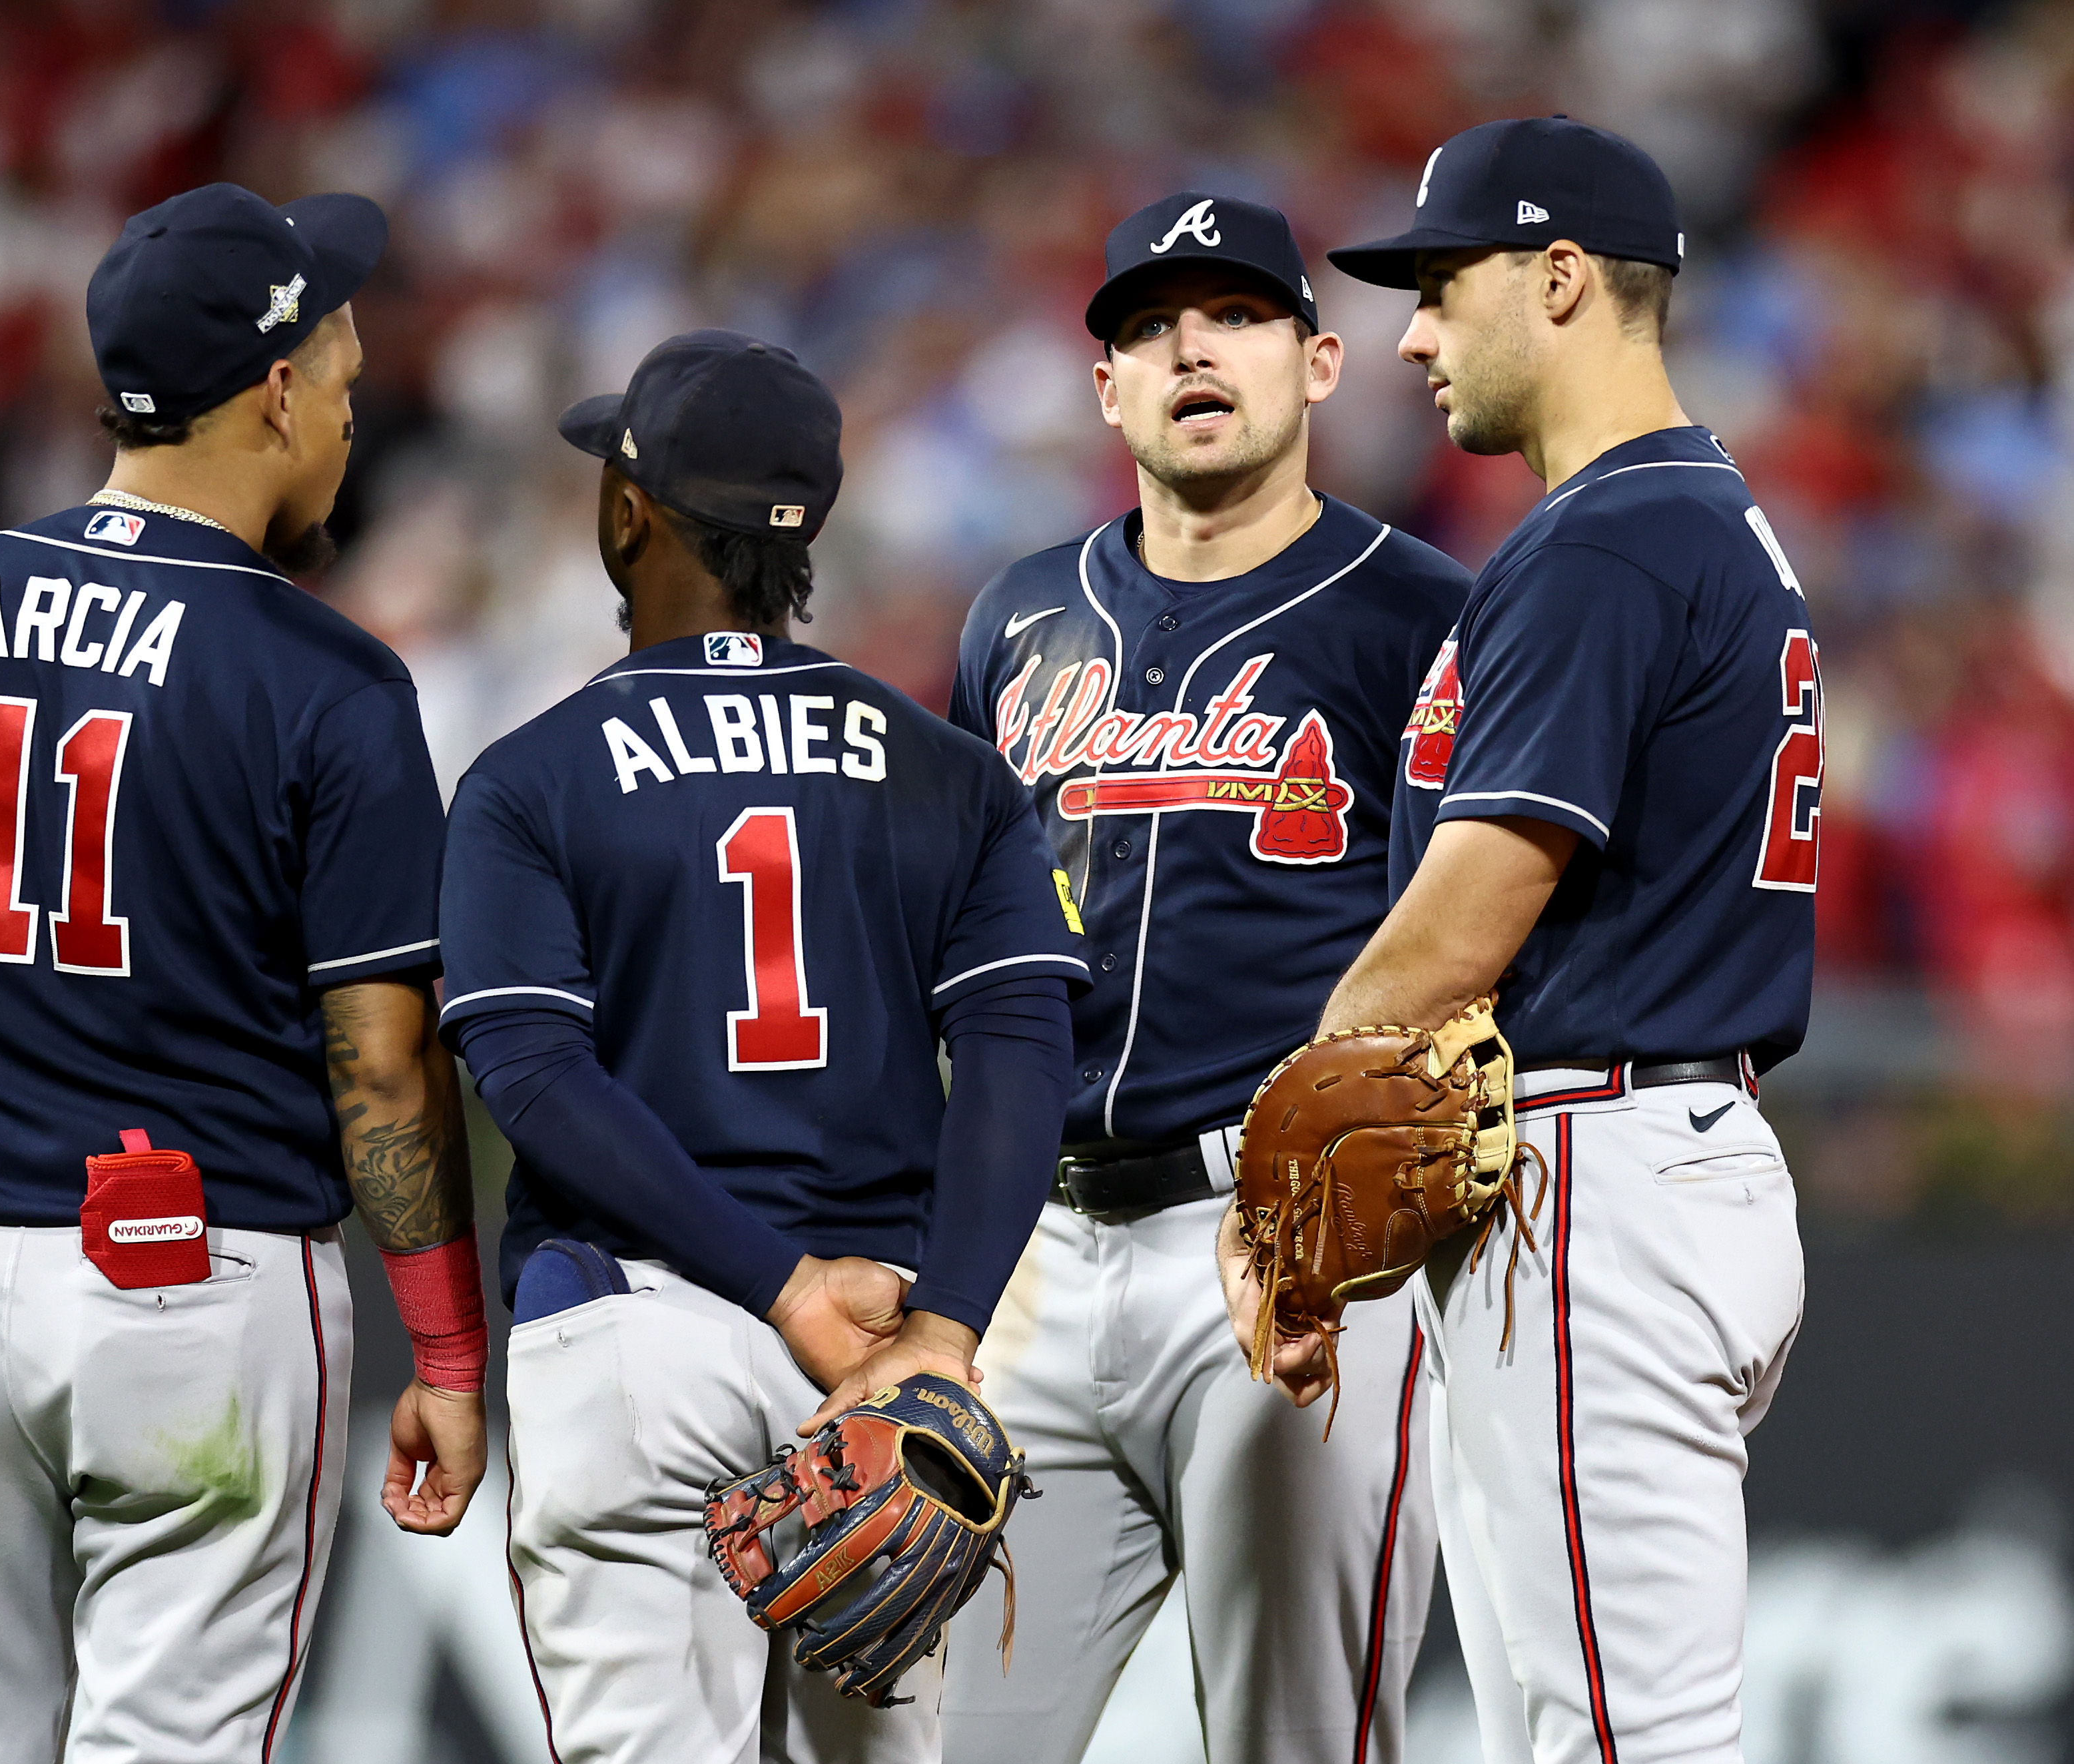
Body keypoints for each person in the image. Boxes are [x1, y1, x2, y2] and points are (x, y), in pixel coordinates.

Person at [0, 183, 489, 1763]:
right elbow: (379, 1058)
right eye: (347, 384)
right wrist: (444, 1341)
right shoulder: (328, 677)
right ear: (278, 389)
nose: (355, 419)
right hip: (191, 1296)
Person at [436, 329, 1085, 1763]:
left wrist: (773, 1283)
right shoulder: (949, 768)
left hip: (637, 1313)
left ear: (628, 512)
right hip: (878, 1348)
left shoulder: (527, 775)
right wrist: (946, 1327)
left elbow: (535, 1076)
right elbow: (1021, 1053)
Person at [1271, 117, 1816, 1763]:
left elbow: (1467, 916)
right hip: (1650, 1147)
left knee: (1616, 1740)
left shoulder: (1606, 541)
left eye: (1443, 284)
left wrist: (1277, 1174)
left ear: (1561, 278)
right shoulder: (1690, 515)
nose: (1412, 333)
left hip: (1597, 1176)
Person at [939, 193, 1471, 1763]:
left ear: (1316, 364)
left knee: (1294, 1742)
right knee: (937, 1730)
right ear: (1103, 385)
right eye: (1149, 324)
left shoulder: (1421, 614)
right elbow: (966, 948)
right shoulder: (1016, 615)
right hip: (1037, 1250)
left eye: (1235, 313)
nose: (1190, 344)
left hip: (1302, 1229)